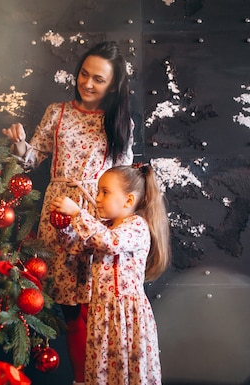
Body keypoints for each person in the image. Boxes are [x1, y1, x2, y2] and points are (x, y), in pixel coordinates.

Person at [2, 41, 134, 385]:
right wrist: (19, 145)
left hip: (95, 216)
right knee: (72, 311)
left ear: (114, 84)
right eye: (84, 74)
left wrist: (117, 227)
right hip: (58, 216)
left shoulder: (118, 121)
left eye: (99, 79)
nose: (87, 84)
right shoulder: (57, 112)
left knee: (96, 309)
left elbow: (123, 179)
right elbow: (34, 157)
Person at [49, 164, 171, 385]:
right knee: (104, 372)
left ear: (128, 201)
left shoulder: (136, 227)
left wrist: (78, 213)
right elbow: (75, 247)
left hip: (127, 314)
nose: (97, 198)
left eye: (105, 192)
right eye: (98, 191)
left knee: (129, 370)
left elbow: (110, 242)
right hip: (102, 314)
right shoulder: (102, 227)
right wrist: (63, 226)